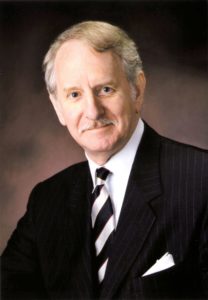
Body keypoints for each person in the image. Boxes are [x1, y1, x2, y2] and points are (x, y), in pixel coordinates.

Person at [1, 21, 208, 300]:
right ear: (58, 107)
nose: (92, 110)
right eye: (74, 95)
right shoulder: (47, 200)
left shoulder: (200, 180)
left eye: (106, 89)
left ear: (138, 89)